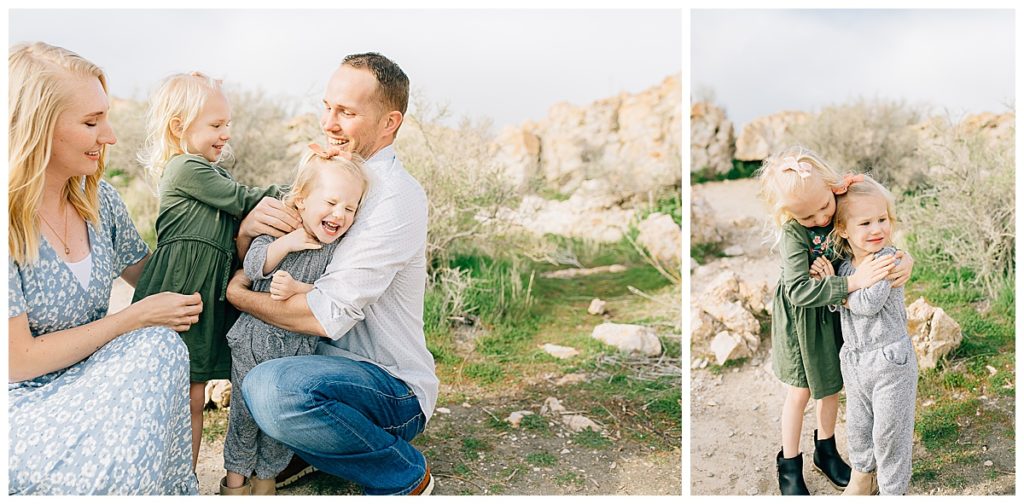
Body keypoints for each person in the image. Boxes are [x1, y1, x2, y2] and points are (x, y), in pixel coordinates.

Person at [226, 52, 439, 496]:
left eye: (347, 112)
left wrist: (240, 297)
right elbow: (269, 265)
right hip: (321, 364)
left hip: (388, 384)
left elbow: (325, 317)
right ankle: (300, 447)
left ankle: (403, 474)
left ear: (389, 123)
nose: (329, 122)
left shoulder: (395, 198)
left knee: (271, 389)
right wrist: (247, 234)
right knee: (251, 356)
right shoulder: (334, 177)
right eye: (327, 107)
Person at [8, 41, 201, 495]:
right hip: (22, 407)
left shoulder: (100, 203)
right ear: (38, 127)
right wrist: (132, 318)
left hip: (94, 381)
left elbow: (152, 276)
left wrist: (242, 241)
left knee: (160, 347)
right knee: (149, 335)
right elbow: (18, 360)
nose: (110, 136)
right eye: (92, 122)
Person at [130, 71, 286, 471]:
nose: (225, 133)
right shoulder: (184, 168)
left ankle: (185, 480)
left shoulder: (214, 173)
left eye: (227, 125)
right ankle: (147, 473)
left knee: (194, 396)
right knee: (167, 395)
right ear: (179, 127)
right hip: (178, 293)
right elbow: (246, 200)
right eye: (216, 125)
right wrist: (303, 191)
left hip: (203, 298)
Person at [755, 146, 914, 495]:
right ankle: (790, 464)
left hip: (836, 311)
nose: (820, 220)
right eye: (807, 217)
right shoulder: (796, 233)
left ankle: (826, 451)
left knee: (831, 385)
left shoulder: (839, 200)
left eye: (825, 209)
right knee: (801, 390)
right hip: (804, 318)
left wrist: (905, 259)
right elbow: (798, 290)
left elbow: (874, 223)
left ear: (833, 186)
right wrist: (851, 283)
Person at [220, 145, 369, 495]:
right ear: (301, 200)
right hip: (253, 341)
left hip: (296, 349)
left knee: (276, 425)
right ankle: (234, 486)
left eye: (350, 208)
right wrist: (287, 244)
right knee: (243, 417)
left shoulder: (336, 248)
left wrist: (298, 287)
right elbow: (253, 266)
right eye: (331, 203)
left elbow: (327, 292)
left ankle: (266, 485)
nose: (339, 214)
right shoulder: (280, 231)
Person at [824, 175, 918, 495]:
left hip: (889, 359)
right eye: (865, 223)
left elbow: (867, 303)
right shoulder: (846, 266)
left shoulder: (886, 259)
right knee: (860, 426)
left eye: (882, 219)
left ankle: (893, 491)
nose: (877, 229)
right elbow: (842, 306)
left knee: (890, 434)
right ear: (843, 229)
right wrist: (837, 285)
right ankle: (864, 476)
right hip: (855, 360)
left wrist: (836, 293)